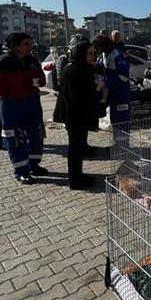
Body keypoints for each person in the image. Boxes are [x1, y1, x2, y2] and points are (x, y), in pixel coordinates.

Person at [0, 32, 48, 185]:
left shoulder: (32, 61)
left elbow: (42, 79)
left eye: (30, 44)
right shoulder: (0, 63)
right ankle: (21, 171)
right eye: (26, 44)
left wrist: (39, 81)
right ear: (15, 46)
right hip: (11, 105)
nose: (30, 47)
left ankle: (34, 165)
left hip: (32, 102)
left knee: (36, 134)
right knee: (16, 138)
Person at [53, 40, 102, 190]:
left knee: (79, 148)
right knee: (75, 149)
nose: (92, 56)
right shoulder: (74, 70)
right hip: (74, 116)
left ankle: (78, 175)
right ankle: (75, 180)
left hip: (79, 115)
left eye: (94, 53)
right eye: (89, 53)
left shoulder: (82, 68)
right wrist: (99, 91)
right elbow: (78, 97)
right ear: (80, 53)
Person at [94, 35, 131, 128]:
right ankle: (117, 141)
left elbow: (124, 76)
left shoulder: (117, 55)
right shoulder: (105, 54)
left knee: (122, 120)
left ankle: (124, 141)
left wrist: (106, 84)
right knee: (114, 119)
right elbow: (104, 67)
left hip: (120, 93)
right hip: (112, 92)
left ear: (103, 46)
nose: (95, 50)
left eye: (97, 47)